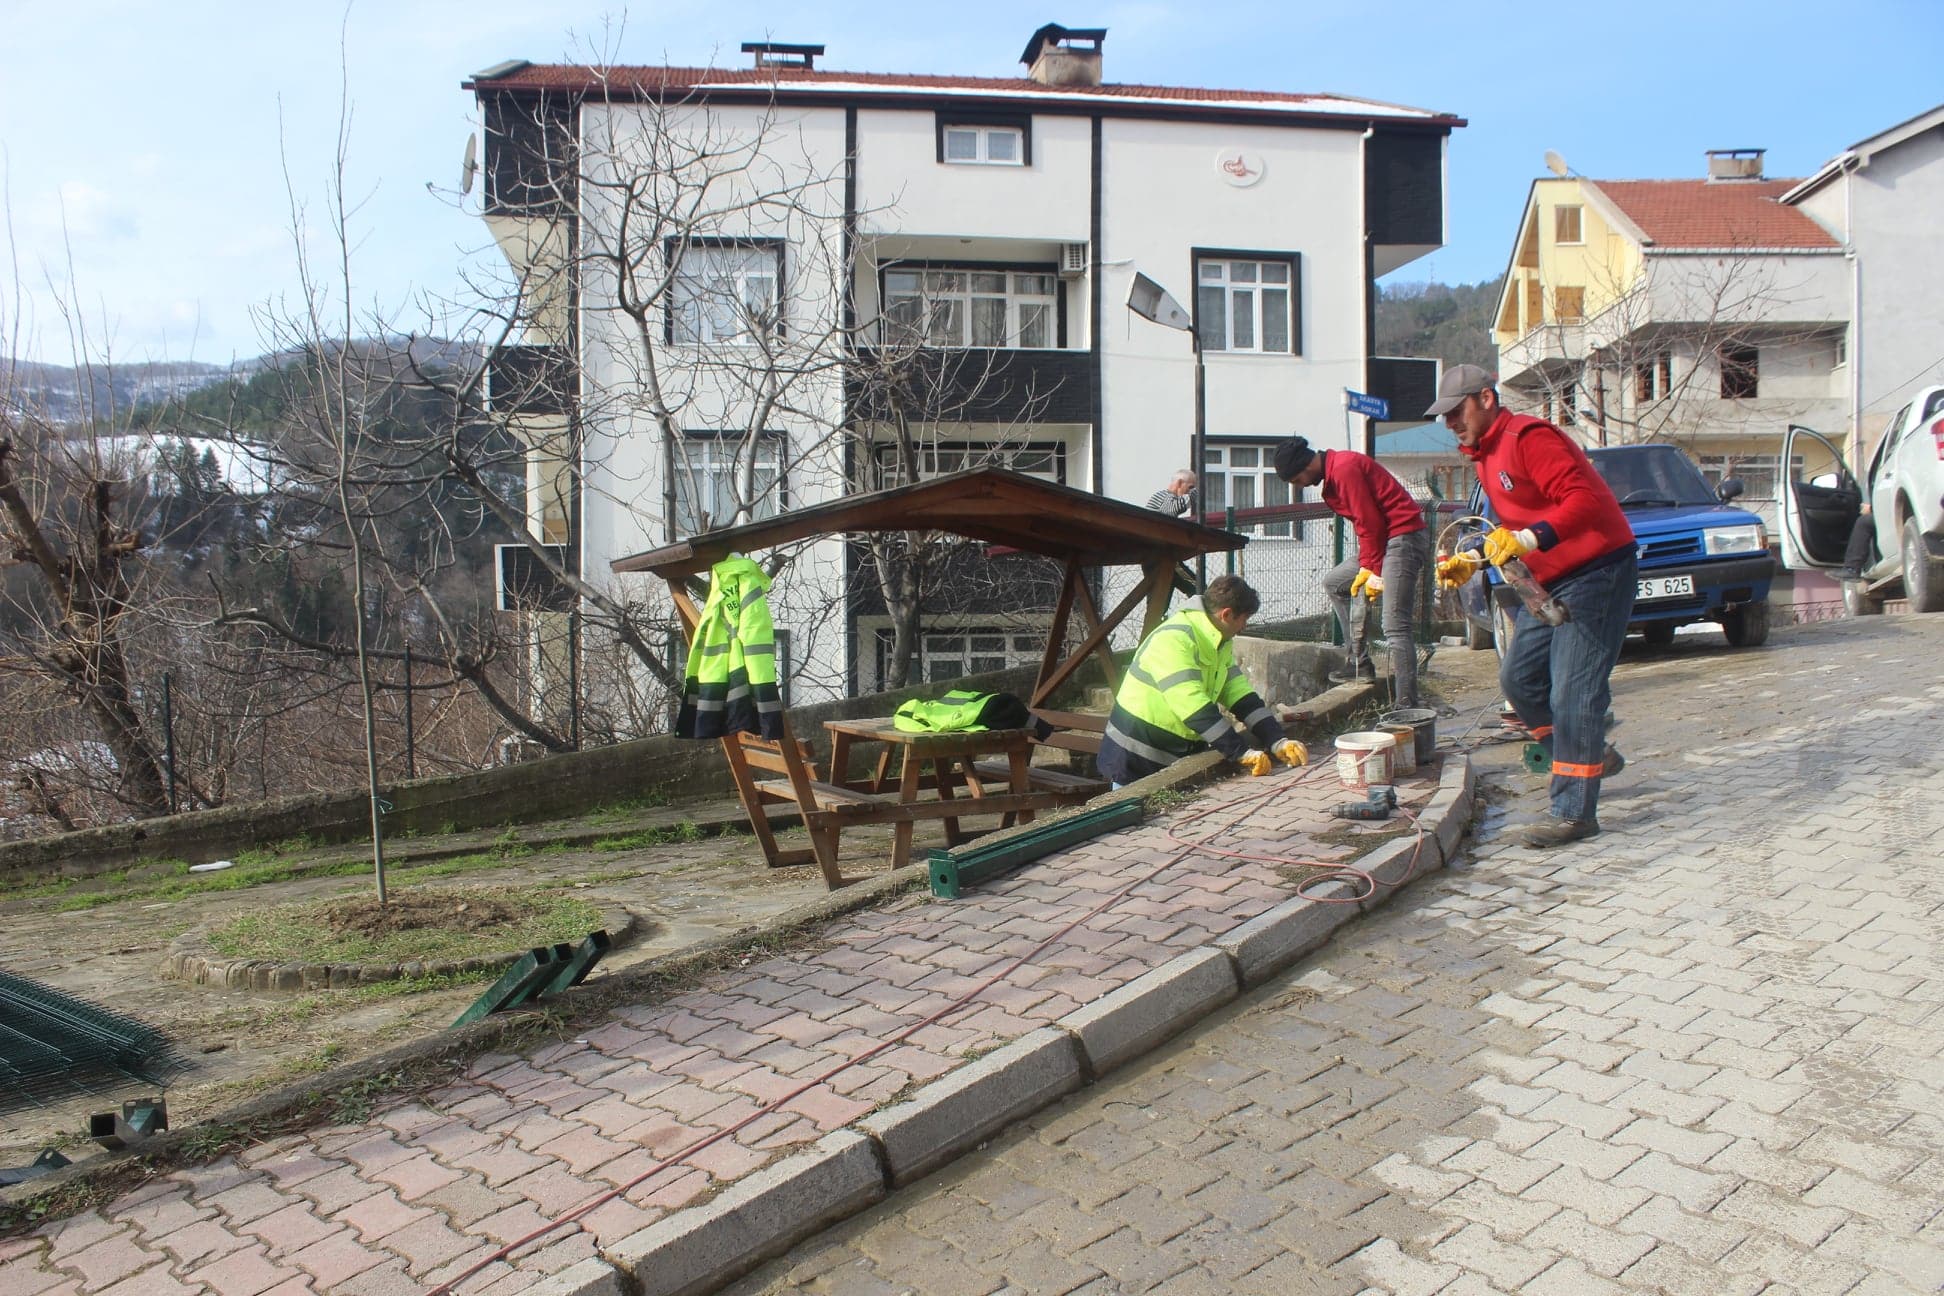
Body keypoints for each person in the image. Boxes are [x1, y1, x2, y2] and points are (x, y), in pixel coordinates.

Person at [1429, 364, 1635, 848]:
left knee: (1572, 694)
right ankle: (1587, 755)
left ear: (1486, 398)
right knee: (1518, 680)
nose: (1452, 423)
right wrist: (1473, 558)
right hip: (1549, 580)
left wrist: (1528, 537)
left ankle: (1573, 812)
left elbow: (1581, 501)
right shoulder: (1484, 454)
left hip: (1597, 569)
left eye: (1457, 411)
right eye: (1445, 417)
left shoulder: (1528, 438)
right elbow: (1510, 527)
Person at [1098, 574, 1307, 786]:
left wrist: (1277, 739)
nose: (1244, 626)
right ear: (1226, 614)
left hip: (1172, 754)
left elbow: (1240, 694)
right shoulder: (1175, 638)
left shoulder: (1218, 641)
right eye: (1244, 618)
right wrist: (1241, 752)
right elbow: (1193, 707)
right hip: (1133, 757)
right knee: (1132, 817)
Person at [1273, 436, 1431, 705]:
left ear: (1304, 466)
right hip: (1385, 539)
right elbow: (1368, 525)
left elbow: (1369, 522)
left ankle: (1407, 705)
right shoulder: (1334, 474)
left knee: (1394, 625)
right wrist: (1370, 566)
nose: (1298, 486)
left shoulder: (1344, 469)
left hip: (1403, 538)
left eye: (1295, 480)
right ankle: (1358, 663)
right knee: (1335, 583)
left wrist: (1372, 568)